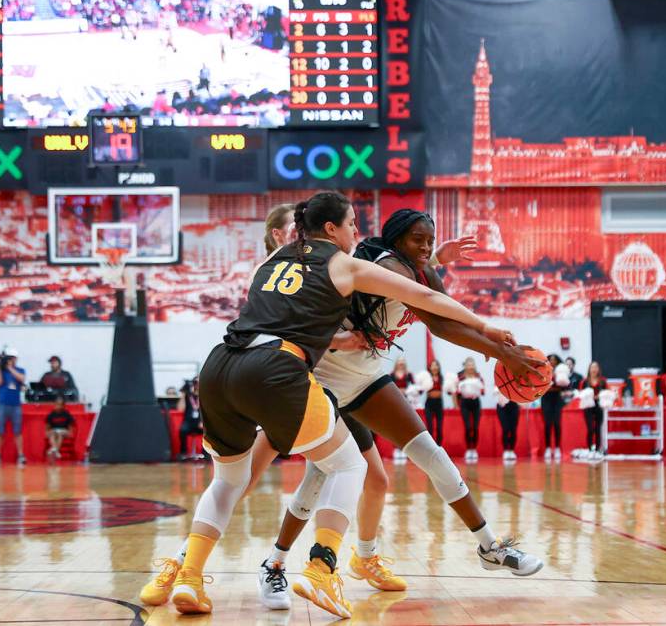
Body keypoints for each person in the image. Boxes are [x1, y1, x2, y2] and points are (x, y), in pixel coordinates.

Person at [143, 197, 542, 617]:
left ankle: (391, 554)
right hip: (304, 376)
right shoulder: (358, 266)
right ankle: (285, 564)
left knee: (384, 472)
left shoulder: (296, 259)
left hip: (272, 369)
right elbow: (434, 312)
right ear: (331, 229)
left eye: (430, 241)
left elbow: (282, 310)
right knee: (329, 471)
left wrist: (436, 260)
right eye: (352, 223)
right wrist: (495, 338)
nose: (357, 230)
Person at [0, 347, 27, 466]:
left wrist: (10, 367)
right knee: (0, 431)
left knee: (17, 431)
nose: (11, 360)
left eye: (13, 358)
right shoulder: (2, 371)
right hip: (3, 404)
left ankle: (21, 455)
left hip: (16, 405)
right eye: (9, 358)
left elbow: (22, 379)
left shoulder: (20, 370)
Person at [455, 357, 485, 462]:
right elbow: (457, 392)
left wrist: (478, 387)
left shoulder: (478, 376)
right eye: (468, 364)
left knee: (475, 427)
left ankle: (474, 449)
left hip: (476, 402)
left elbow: (483, 392)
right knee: (468, 427)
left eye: (472, 364)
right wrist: (456, 404)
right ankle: (468, 449)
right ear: (465, 366)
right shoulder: (460, 377)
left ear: (474, 366)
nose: (470, 366)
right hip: (465, 403)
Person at [541, 354, 567, 463]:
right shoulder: (544, 370)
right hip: (546, 398)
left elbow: (565, 385)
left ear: (557, 361)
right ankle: (547, 448)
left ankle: (557, 448)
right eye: (550, 359)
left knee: (557, 423)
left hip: (557, 398)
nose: (552, 361)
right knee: (547, 424)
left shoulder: (561, 371)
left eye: (554, 360)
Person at [579, 361, 607, 457]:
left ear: (598, 369)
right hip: (588, 406)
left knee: (598, 428)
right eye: (592, 367)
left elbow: (606, 393)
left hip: (599, 406)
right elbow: (581, 394)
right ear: (589, 369)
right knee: (590, 428)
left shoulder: (603, 381)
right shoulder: (584, 381)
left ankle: (598, 448)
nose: (594, 369)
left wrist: (600, 396)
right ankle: (590, 448)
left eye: (596, 367)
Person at [177, 377, 204, 460]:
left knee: (208, 431)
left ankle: (205, 454)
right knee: (182, 430)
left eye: (199, 382)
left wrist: (203, 421)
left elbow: (207, 411)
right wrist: (183, 394)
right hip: (188, 421)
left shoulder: (204, 396)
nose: (197, 384)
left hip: (200, 422)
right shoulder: (188, 395)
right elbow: (180, 409)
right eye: (195, 382)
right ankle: (183, 453)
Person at [45, 394, 76, 461]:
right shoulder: (51, 415)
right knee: (54, 434)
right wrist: (48, 432)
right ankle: (56, 450)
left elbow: (70, 427)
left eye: (59, 404)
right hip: (54, 431)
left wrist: (70, 433)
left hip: (64, 431)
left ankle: (54, 449)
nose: (57, 406)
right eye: (56, 404)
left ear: (63, 406)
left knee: (60, 433)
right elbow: (47, 428)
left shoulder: (66, 414)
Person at [424, 359, 445, 445]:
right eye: (433, 365)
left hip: (439, 403)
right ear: (430, 367)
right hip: (429, 403)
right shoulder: (426, 378)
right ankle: (431, 446)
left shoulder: (442, 378)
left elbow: (447, 390)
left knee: (439, 427)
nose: (434, 367)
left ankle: (439, 446)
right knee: (430, 427)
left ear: (439, 367)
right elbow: (422, 389)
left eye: (436, 365)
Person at [496, 392, 520, 462]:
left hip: (514, 406)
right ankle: (506, 450)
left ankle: (512, 450)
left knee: (513, 430)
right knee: (505, 428)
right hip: (502, 406)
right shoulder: (500, 381)